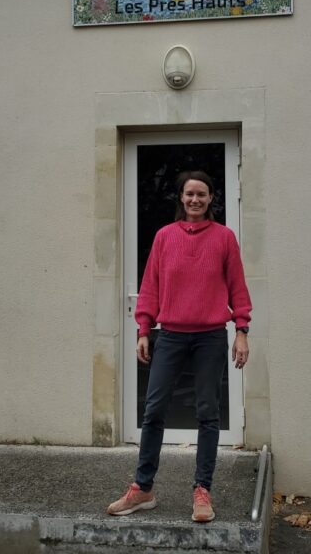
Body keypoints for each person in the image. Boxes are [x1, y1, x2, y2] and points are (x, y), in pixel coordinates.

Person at [107, 170, 252, 523]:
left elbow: (238, 288)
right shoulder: (164, 237)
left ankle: (202, 491)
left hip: (210, 337)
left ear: (211, 198)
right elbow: (151, 285)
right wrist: (144, 328)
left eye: (202, 194)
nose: (195, 200)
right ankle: (143, 488)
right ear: (181, 198)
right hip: (170, 335)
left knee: (208, 413)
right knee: (154, 410)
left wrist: (242, 330)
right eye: (189, 194)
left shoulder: (224, 238)